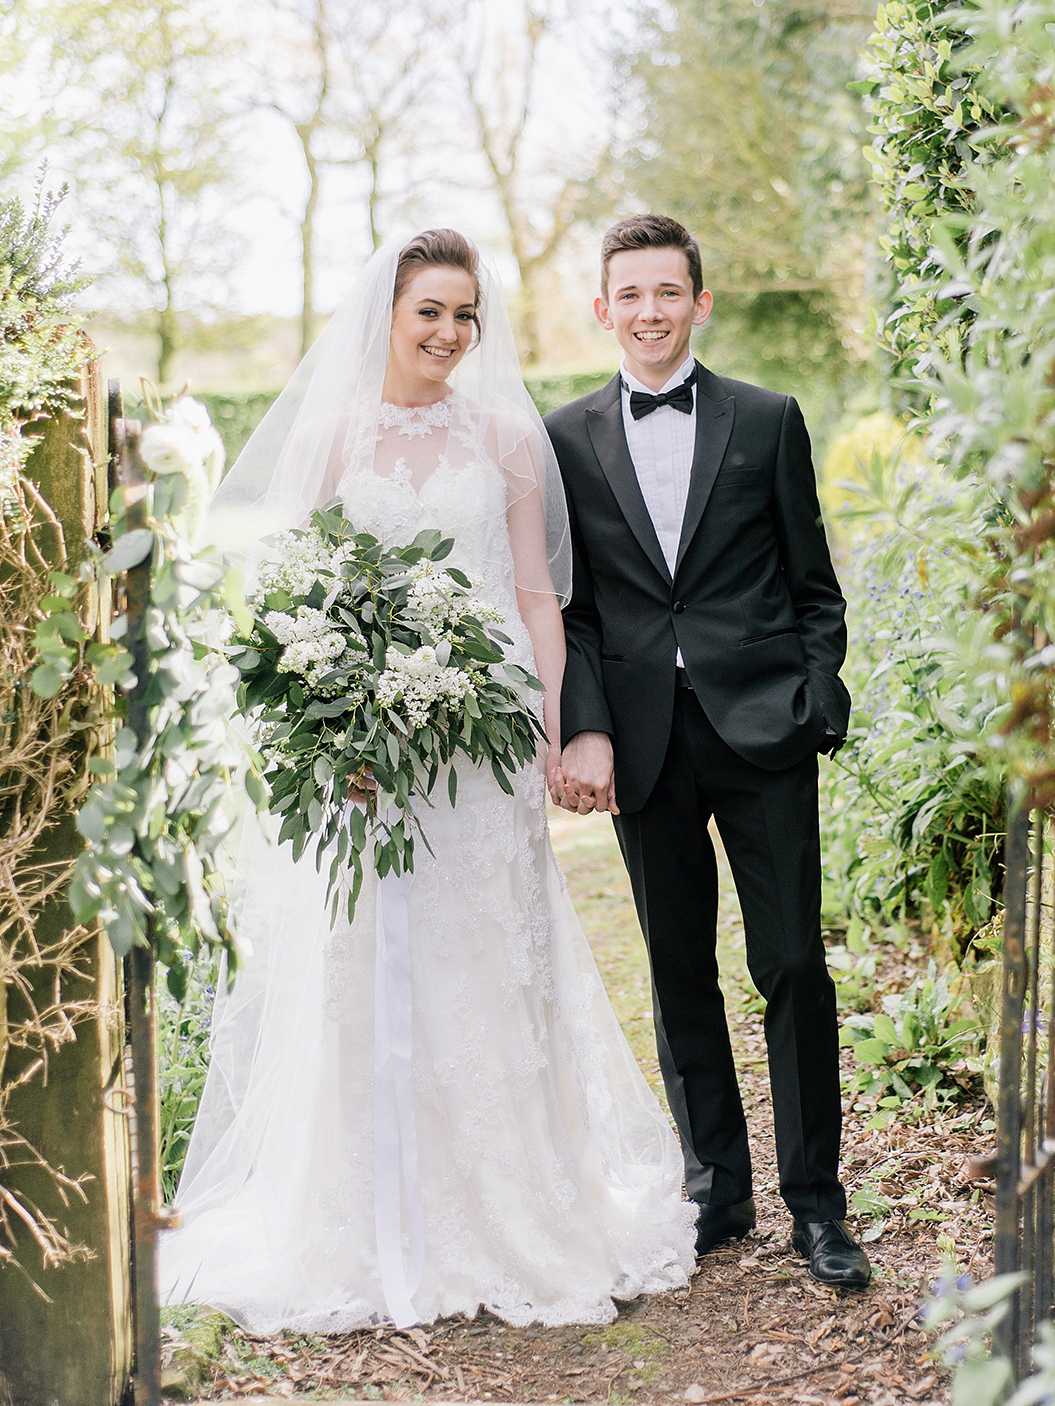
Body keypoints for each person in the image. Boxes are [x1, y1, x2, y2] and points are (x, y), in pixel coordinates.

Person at [159, 228, 696, 1334]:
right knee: (369, 953)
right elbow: (294, 596)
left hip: (484, 742)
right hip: (369, 748)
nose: (449, 335)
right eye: (430, 313)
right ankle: (372, 1211)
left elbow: (539, 597)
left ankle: (508, 1206)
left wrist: (554, 724)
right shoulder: (331, 438)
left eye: (466, 316)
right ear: (387, 316)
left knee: (490, 952)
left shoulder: (504, 436)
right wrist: (338, 724)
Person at [545, 213, 869, 1289]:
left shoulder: (768, 420)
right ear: (603, 309)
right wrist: (584, 720)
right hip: (644, 739)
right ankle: (716, 1189)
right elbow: (575, 607)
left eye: (668, 292)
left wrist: (818, 696)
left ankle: (816, 1205)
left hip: (764, 726)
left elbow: (812, 580)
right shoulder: (564, 438)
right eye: (629, 295)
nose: (649, 312)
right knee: (681, 968)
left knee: (790, 967)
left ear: (700, 301)